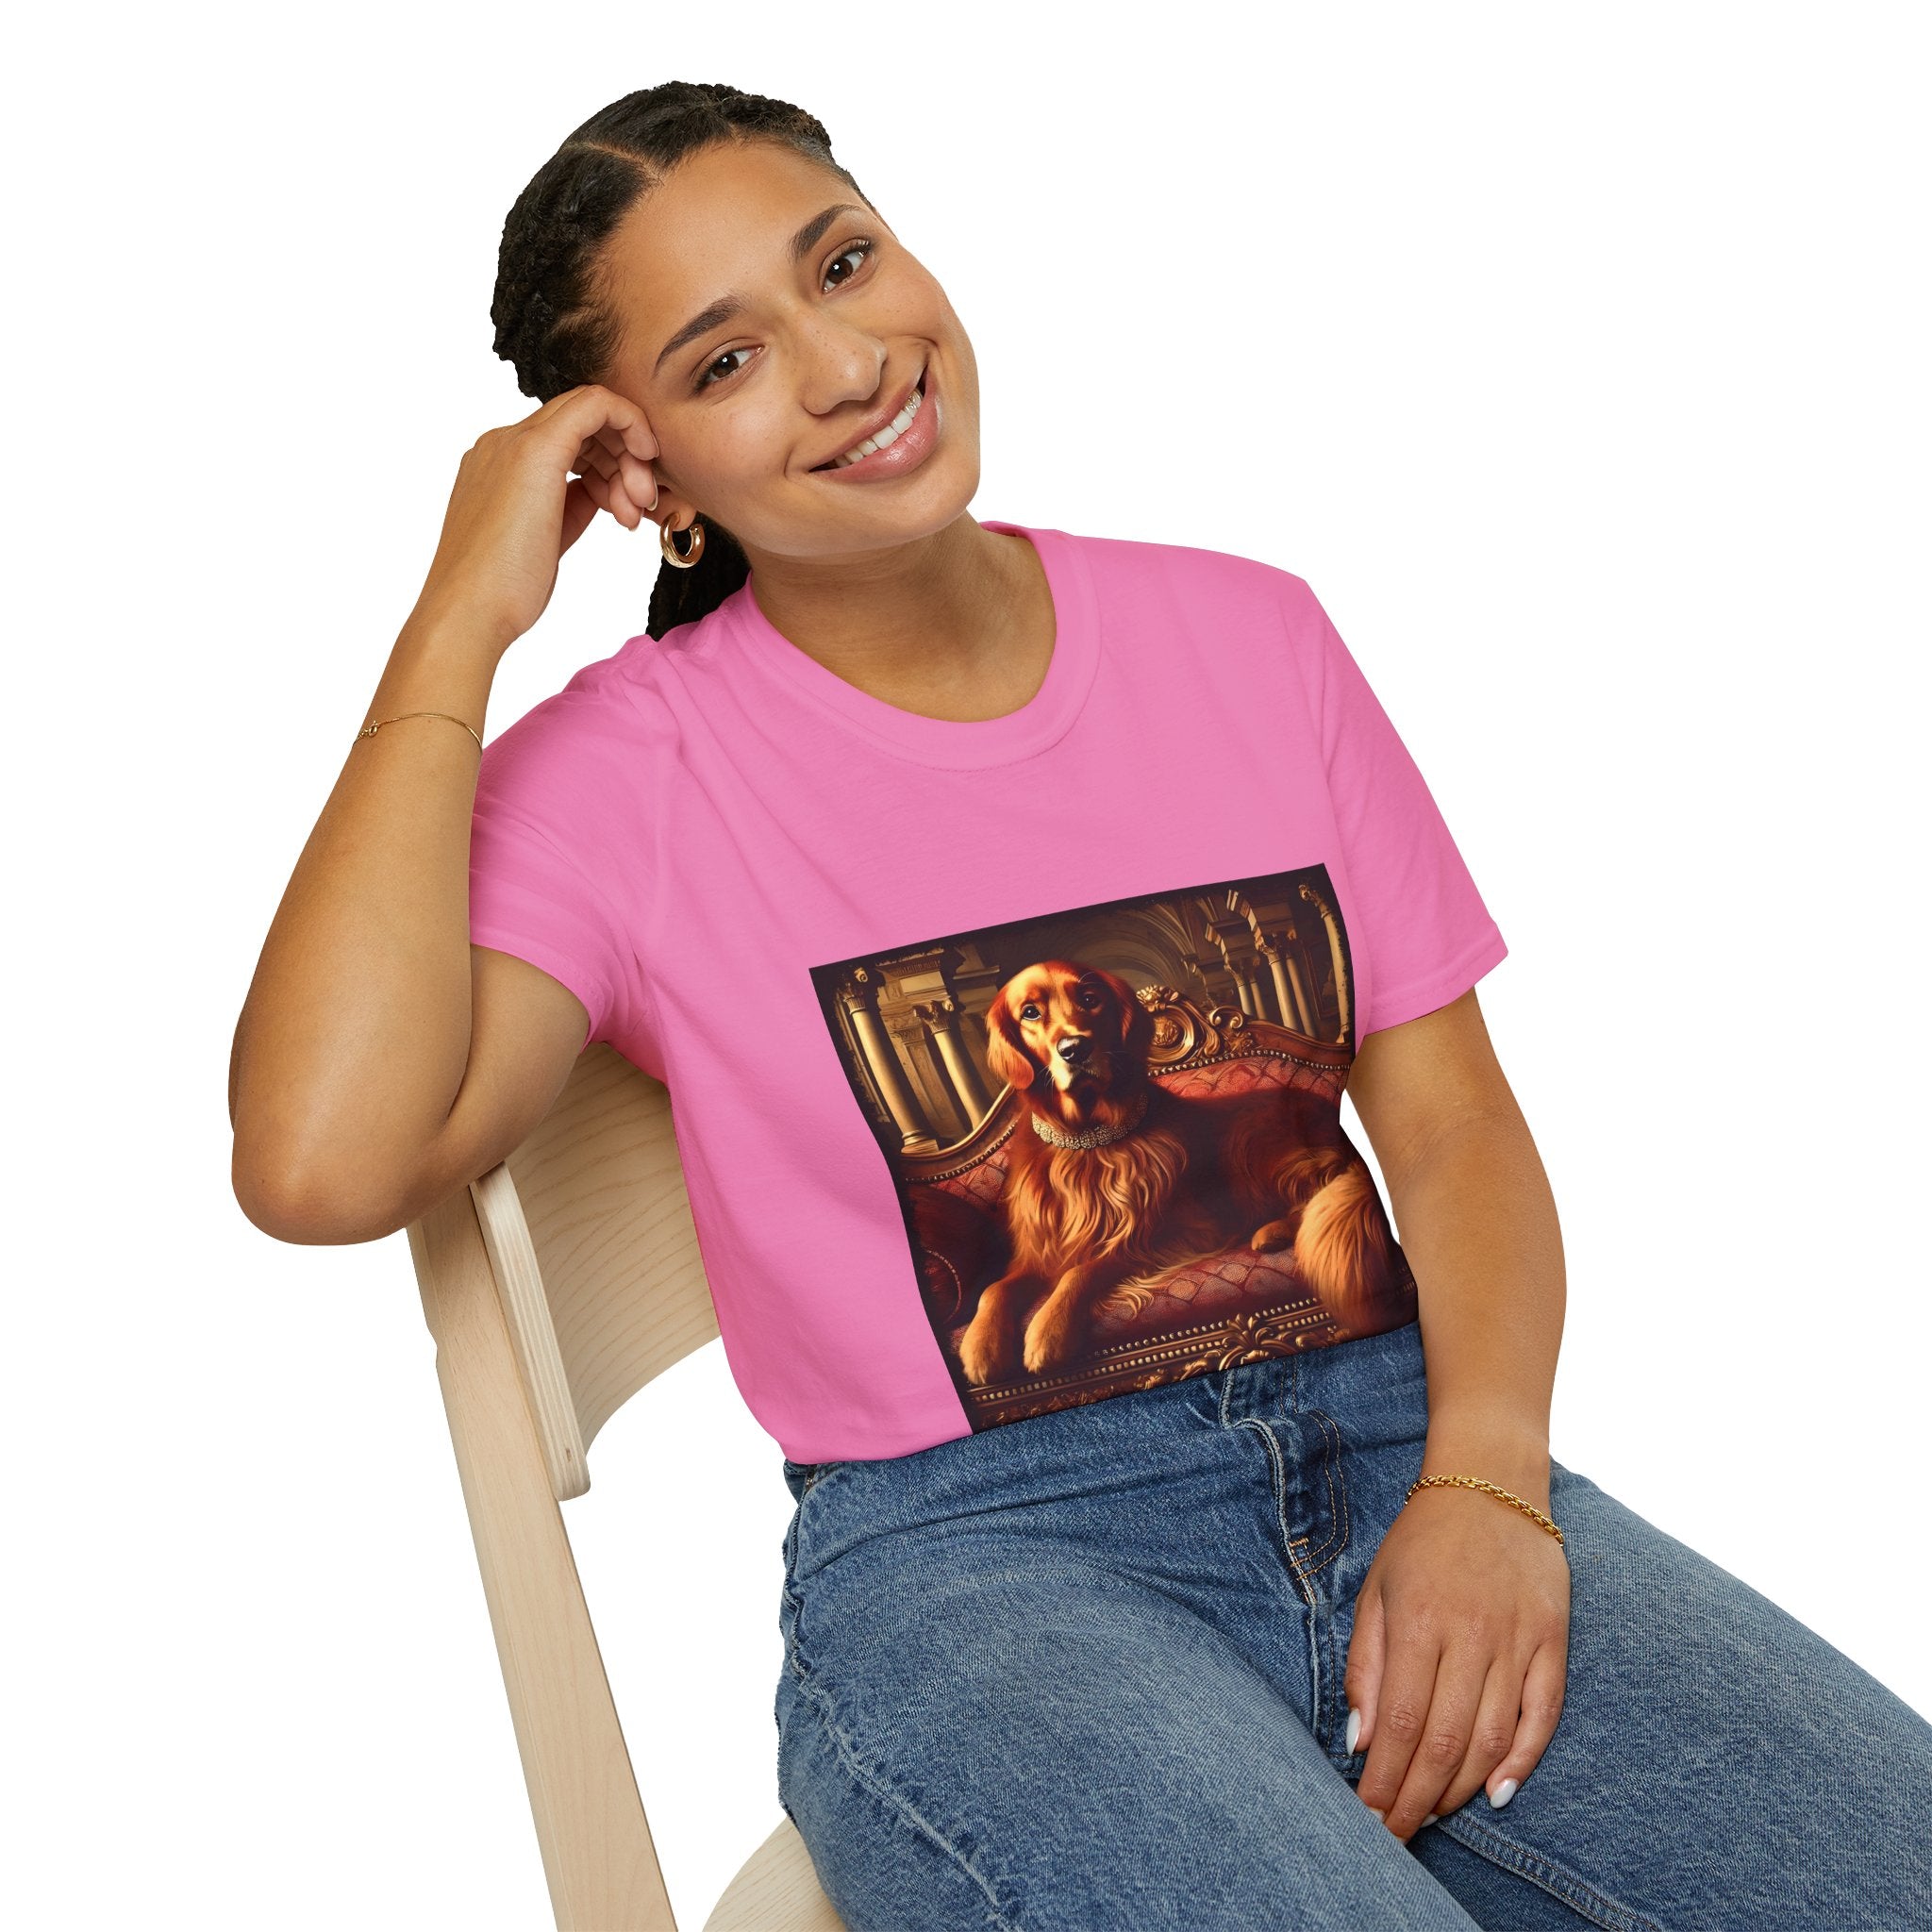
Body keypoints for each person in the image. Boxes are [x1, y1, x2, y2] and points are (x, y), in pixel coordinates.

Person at [228, 80, 1932, 1932]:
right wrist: (456, 619)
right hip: (986, 1568)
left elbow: (1446, 1129)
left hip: (1400, 1445)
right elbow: (321, 1158)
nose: (845, 362)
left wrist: (1489, 1485)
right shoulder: (629, 773)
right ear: (646, 479)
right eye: (725, 362)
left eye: (845, 263)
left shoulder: (1249, 637)